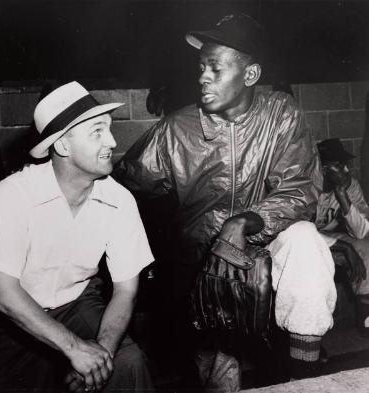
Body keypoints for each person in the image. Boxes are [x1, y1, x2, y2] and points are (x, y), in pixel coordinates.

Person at [114, 13, 337, 386]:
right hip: (205, 268)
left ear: (250, 75)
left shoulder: (280, 115)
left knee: (306, 242)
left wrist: (243, 222)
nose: (202, 76)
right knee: (219, 375)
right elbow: (123, 189)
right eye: (201, 67)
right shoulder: (175, 130)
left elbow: (300, 189)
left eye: (214, 68)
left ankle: (304, 377)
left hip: (265, 245)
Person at [0, 81, 154, 392]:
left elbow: (126, 290)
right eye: (97, 131)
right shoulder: (14, 195)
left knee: (127, 364)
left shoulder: (120, 200)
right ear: (64, 146)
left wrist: (100, 354)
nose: (112, 140)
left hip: (78, 305)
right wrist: (76, 349)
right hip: (12, 323)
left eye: (109, 128)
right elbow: (1, 293)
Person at [315, 138, 369, 338]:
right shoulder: (307, 186)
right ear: (324, 170)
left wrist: (342, 195)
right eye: (338, 166)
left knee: (365, 246)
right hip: (308, 241)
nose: (346, 171)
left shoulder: (350, 185)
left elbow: (363, 232)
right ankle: (311, 335)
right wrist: (343, 246)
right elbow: (299, 231)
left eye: (345, 165)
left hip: (333, 237)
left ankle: (368, 320)